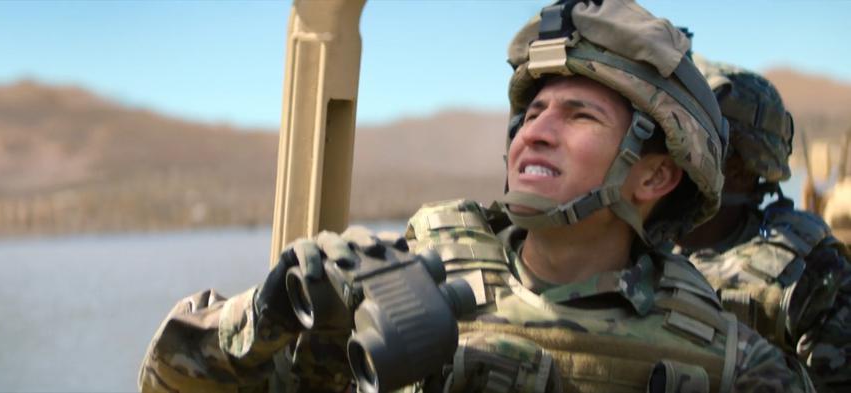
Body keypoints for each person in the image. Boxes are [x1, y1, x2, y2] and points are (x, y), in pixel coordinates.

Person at [139, 1, 814, 391]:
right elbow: (166, 381)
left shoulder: (731, 360)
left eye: (580, 116)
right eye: (534, 111)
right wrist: (267, 313)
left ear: (655, 176)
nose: (535, 133)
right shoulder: (397, 282)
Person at [674, 58, 851, 392]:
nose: (671, 150)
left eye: (692, 142)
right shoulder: (632, 242)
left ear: (740, 169)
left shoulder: (810, 273)